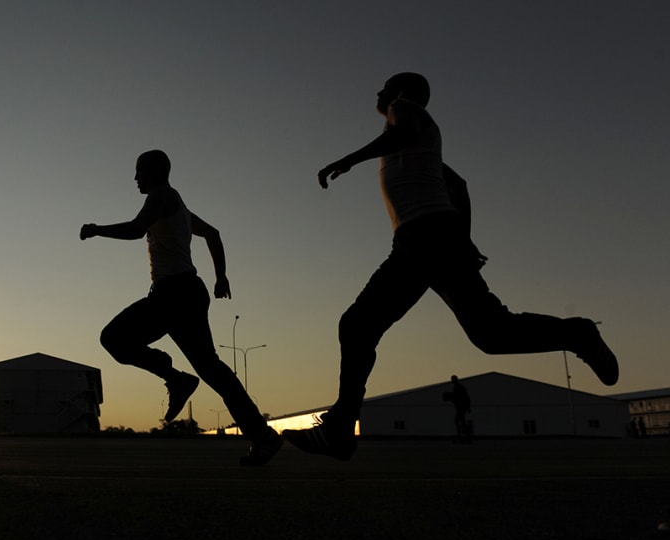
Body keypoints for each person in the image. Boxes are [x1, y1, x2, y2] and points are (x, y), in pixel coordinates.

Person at [284, 73, 618, 461]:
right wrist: (464, 238)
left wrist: (349, 160)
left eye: (384, 88)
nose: (377, 94)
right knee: (490, 333)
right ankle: (577, 334)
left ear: (399, 93)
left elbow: (410, 143)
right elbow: (458, 185)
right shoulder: (419, 143)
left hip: (423, 237)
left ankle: (340, 429)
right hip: (437, 238)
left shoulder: (403, 111)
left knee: (358, 324)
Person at [80, 150, 283, 465]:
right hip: (184, 292)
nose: (135, 179)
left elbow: (136, 229)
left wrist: (96, 229)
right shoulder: (180, 207)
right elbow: (213, 234)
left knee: (114, 338)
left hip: (174, 294)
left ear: (155, 172)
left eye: (139, 172)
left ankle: (176, 378)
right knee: (212, 369)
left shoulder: (161, 196)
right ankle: (262, 435)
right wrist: (220, 277)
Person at [442, 375, 472, 443]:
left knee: (459, 421)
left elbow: (466, 397)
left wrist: (468, 407)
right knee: (460, 421)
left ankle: (463, 436)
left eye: (452, 380)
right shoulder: (456, 387)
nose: (452, 381)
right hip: (461, 407)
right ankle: (464, 436)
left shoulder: (459, 388)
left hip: (461, 407)